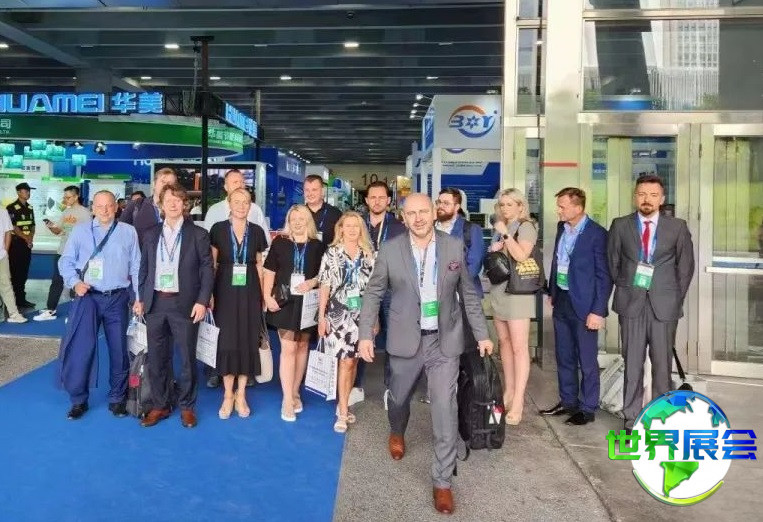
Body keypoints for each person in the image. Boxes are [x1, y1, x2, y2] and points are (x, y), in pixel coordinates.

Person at [357, 193, 493, 516]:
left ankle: (442, 480)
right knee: (399, 398)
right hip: (405, 339)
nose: (418, 218)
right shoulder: (390, 250)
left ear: (433, 213)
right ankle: (396, 429)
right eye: (411, 213)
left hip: (443, 341)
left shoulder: (453, 246)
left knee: (445, 407)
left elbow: (468, 294)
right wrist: (365, 334)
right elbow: (374, 292)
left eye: (423, 211)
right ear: (403, 218)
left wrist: (483, 334)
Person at [608, 175, 694, 434]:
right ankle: (631, 419)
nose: (647, 199)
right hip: (631, 303)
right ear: (635, 196)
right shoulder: (621, 225)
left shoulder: (677, 227)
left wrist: (674, 297)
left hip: (664, 306)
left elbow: (685, 268)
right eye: (642, 194)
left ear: (662, 199)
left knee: (662, 365)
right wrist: (627, 286)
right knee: (632, 364)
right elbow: (612, 262)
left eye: (653, 195)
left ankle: (659, 419)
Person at [134, 183, 214, 428]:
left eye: (178, 200)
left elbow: (207, 269)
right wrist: (140, 298)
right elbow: (144, 269)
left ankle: (187, 406)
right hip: (155, 303)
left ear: (184, 204)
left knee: (188, 358)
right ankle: (160, 404)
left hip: (185, 304)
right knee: (157, 358)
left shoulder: (198, 234)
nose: (173, 204)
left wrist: (202, 301)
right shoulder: (151, 234)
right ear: (161, 204)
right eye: (168, 200)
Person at [57, 190, 141, 419]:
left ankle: (117, 398)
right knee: (81, 349)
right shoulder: (80, 231)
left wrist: (138, 297)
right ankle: (78, 400)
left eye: (109, 205)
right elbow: (66, 261)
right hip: (88, 298)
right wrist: (75, 282)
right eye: (100, 206)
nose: (105, 210)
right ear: (93, 208)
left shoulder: (128, 231)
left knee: (119, 351)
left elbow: (136, 265)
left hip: (118, 298)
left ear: (117, 207)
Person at [541, 188, 612, 426]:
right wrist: (552, 291)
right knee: (564, 356)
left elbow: (604, 275)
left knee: (587, 359)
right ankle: (568, 401)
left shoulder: (597, 234)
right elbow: (558, 262)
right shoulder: (562, 228)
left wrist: (598, 310)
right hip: (562, 299)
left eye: (562, 206)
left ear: (578, 208)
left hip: (585, 305)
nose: (558, 211)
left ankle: (588, 407)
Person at [262, 204, 325, 422]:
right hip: (284, 301)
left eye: (302, 218)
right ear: (289, 221)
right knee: (288, 348)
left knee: (302, 347)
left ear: (308, 221)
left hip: (308, 303)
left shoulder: (317, 245)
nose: (297, 222)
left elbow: (324, 274)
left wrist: (313, 282)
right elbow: (269, 271)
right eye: (293, 218)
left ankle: (296, 391)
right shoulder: (280, 242)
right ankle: (287, 399)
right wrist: (267, 296)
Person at [209, 188, 268, 419]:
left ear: (250, 205)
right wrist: (209, 294)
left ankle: (241, 393)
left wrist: (263, 295)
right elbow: (212, 264)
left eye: (246, 202)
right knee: (226, 340)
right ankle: (227, 394)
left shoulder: (257, 231)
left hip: (250, 290)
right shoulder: (217, 229)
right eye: (237, 202)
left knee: (247, 339)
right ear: (229, 203)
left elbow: (260, 265)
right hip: (224, 289)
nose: (241, 206)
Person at [317, 211, 376, 432]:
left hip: (362, 315)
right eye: (347, 226)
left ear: (361, 230)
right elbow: (324, 286)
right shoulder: (332, 253)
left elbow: (374, 290)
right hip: (338, 315)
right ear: (340, 229)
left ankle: (344, 402)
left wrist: (375, 318)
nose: (352, 229)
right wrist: (321, 317)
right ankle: (342, 411)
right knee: (345, 362)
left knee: (354, 362)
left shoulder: (368, 254)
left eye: (356, 226)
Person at [487, 188, 538, 426]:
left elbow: (521, 256)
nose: (505, 208)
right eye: (502, 204)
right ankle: (508, 391)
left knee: (519, 348)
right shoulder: (502, 228)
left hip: (518, 294)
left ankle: (518, 401)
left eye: (510, 204)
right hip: (499, 290)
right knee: (504, 344)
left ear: (520, 206)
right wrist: (496, 246)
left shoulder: (526, 227)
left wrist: (505, 235)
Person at [363, 181, 407, 408]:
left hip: (392, 289)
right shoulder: (357, 224)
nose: (377, 201)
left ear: (388, 201)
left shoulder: (399, 227)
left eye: (381, 197)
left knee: (393, 338)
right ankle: (355, 385)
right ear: (366, 200)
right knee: (360, 334)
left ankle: (391, 388)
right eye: (373, 197)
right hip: (362, 289)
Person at [435, 187, 486, 345]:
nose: (440, 206)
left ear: (457, 207)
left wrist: (449, 285)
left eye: (446, 203)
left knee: (467, 345)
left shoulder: (471, 230)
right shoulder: (430, 229)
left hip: (464, 296)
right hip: (434, 296)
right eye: (439, 202)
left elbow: (474, 264)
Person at [34, 186, 92, 322]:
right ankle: (50, 309)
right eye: (64, 197)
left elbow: (89, 234)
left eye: (68, 197)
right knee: (57, 281)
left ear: (76, 197)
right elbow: (59, 231)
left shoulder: (84, 213)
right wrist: (50, 225)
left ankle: (76, 312)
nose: (65, 199)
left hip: (77, 254)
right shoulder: (66, 212)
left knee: (76, 282)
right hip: (62, 251)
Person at [203, 169, 271, 242]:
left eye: (242, 182)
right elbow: (206, 241)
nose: (239, 185)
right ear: (226, 187)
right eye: (235, 182)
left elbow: (266, 240)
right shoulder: (214, 211)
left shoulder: (255, 209)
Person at [120, 167, 178, 245]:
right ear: (154, 184)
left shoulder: (179, 210)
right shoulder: (136, 206)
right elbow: (121, 235)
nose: (166, 186)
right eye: (163, 182)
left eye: (170, 184)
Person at [6, 182, 36, 309]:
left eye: (29, 191)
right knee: (15, 273)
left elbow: (32, 225)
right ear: (19, 192)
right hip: (16, 244)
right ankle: (12, 301)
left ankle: (21, 300)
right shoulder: (11, 207)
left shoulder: (30, 207)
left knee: (24, 272)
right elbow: (13, 226)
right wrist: (26, 238)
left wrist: (30, 238)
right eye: (26, 191)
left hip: (26, 245)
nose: (28, 193)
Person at [0, 207, 27, 323]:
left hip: (1, 256)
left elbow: (8, 232)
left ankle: (14, 314)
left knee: (6, 284)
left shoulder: (2, 211)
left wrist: (5, 251)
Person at [304, 174, 342, 246]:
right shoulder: (297, 214)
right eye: (307, 190)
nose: (310, 193)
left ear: (322, 191)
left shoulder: (335, 214)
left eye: (314, 190)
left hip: (328, 253)